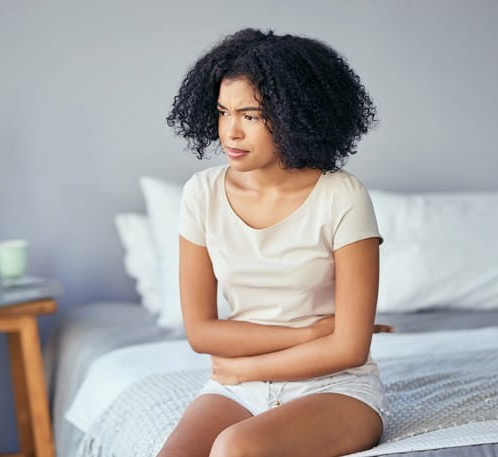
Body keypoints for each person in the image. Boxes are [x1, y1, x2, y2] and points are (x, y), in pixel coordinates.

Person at [160, 27, 394, 457]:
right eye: (222, 112)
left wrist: (245, 367)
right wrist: (311, 332)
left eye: (249, 116)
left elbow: (349, 347)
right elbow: (201, 332)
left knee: (236, 448)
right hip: (236, 390)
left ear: (294, 116)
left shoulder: (342, 195)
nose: (230, 132)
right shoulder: (201, 193)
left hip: (336, 387)